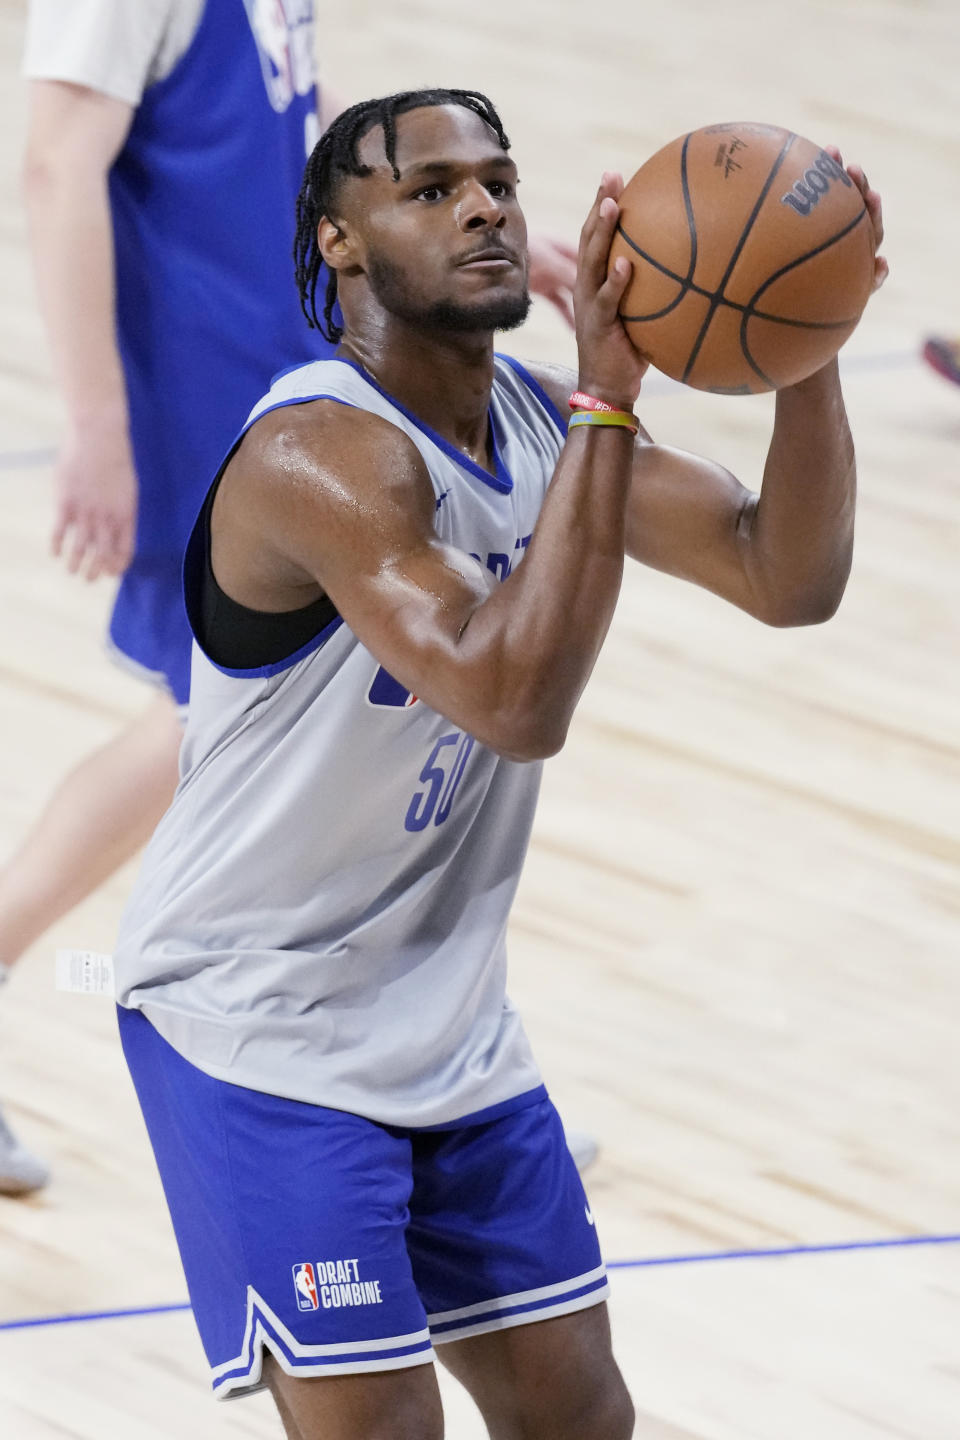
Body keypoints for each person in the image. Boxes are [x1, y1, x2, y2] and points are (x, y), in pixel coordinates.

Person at [111, 88, 886, 1436]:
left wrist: (800, 338)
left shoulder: (536, 421)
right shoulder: (321, 457)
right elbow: (513, 702)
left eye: (498, 181)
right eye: (429, 189)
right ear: (340, 243)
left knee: (581, 1418)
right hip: (255, 1024)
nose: (481, 206)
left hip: (447, 1022)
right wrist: (607, 400)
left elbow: (785, 570)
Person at [1, 2, 579, 1194]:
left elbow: (300, 143)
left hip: (290, 355)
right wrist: (100, 423)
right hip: (201, 384)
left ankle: (422, 1068)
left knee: (214, 721)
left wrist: (456, 253)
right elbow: (56, 162)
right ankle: (407, 1077)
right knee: (222, 716)